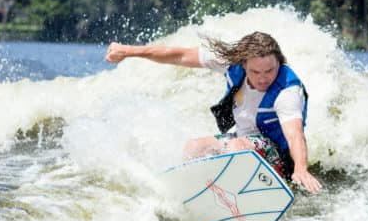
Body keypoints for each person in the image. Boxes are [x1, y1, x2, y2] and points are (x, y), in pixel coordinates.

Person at [104, 31, 323, 194]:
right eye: (256, 71)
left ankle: (232, 197)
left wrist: (301, 169)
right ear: (244, 64)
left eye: (270, 70)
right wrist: (130, 51)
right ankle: (190, 193)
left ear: (279, 63)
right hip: (244, 142)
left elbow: (295, 134)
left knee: (237, 148)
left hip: (280, 160)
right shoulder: (230, 64)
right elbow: (179, 55)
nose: (263, 77)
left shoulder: (287, 91)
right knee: (194, 147)